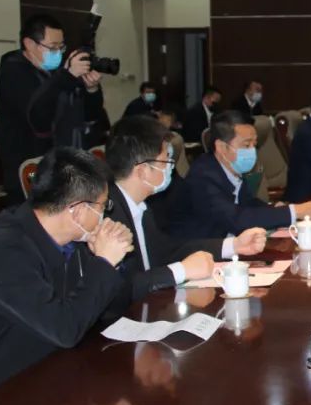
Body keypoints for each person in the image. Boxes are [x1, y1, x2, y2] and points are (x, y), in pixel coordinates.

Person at [0, 148, 132, 405]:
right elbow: (65, 330)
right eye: (103, 206)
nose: (105, 215)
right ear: (78, 211)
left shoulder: (66, 238)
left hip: (37, 374)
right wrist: (104, 263)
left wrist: (111, 262)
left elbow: (107, 313)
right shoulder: (3, 251)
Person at [105, 116, 268, 302]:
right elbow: (121, 289)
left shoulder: (141, 207)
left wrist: (235, 245)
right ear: (142, 171)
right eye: (165, 162)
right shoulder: (108, 216)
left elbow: (170, 250)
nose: (170, 168)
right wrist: (181, 270)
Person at [0, 15, 102, 204]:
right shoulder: (13, 72)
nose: (58, 53)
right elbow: (38, 118)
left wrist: (91, 89)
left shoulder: (57, 73)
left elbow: (89, 115)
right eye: (52, 47)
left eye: (61, 47)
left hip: (63, 166)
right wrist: (66, 77)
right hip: (29, 169)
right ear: (29, 44)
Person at [173, 111, 311, 238]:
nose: (252, 151)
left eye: (255, 145)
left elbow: (248, 204)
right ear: (221, 147)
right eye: (246, 145)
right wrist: (295, 211)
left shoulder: (232, 169)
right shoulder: (203, 177)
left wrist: (276, 209)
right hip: (205, 255)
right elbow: (237, 219)